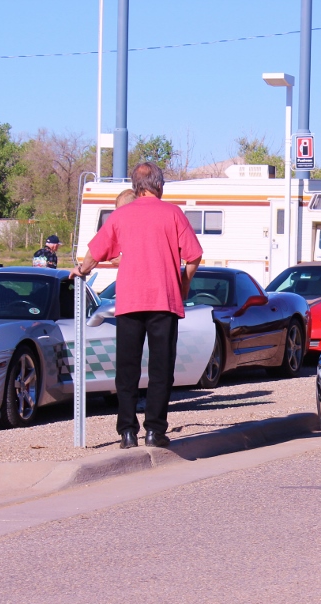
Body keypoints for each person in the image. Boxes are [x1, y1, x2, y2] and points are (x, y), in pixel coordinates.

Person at [70, 162, 203, 450]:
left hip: (129, 301)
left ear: (134, 186)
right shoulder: (173, 213)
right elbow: (193, 256)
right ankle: (155, 431)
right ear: (160, 185)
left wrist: (81, 270)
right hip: (164, 302)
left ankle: (127, 432)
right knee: (161, 368)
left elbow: (95, 252)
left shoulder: (121, 215)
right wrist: (184, 285)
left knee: (127, 369)